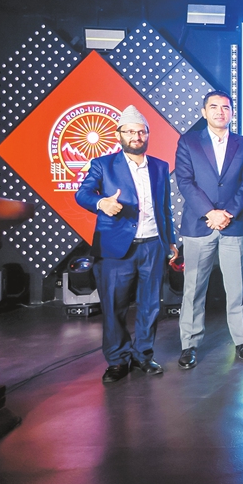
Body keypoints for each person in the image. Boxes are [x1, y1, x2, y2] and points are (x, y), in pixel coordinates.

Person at [75, 105, 178, 383]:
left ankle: (143, 355)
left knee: (150, 306)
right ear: (119, 134)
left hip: (153, 246)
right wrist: (101, 203)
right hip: (115, 248)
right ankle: (118, 359)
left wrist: (171, 241)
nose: (136, 136)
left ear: (147, 134)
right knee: (113, 306)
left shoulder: (159, 166)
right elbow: (82, 194)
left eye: (141, 131)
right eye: (130, 131)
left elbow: (164, 208)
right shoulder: (103, 164)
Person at [173, 91, 243, 369]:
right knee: (193, 289)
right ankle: (190, 345)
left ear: (232, 112)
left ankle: (242, 341)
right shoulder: (189, 141)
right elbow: (184, 181)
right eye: (214, 107)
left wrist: (228, 212)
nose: (220, 112)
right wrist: (210, 213)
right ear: (204, 111)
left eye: (226, 107)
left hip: (234, 224)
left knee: (237, 288)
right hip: (199, 224)